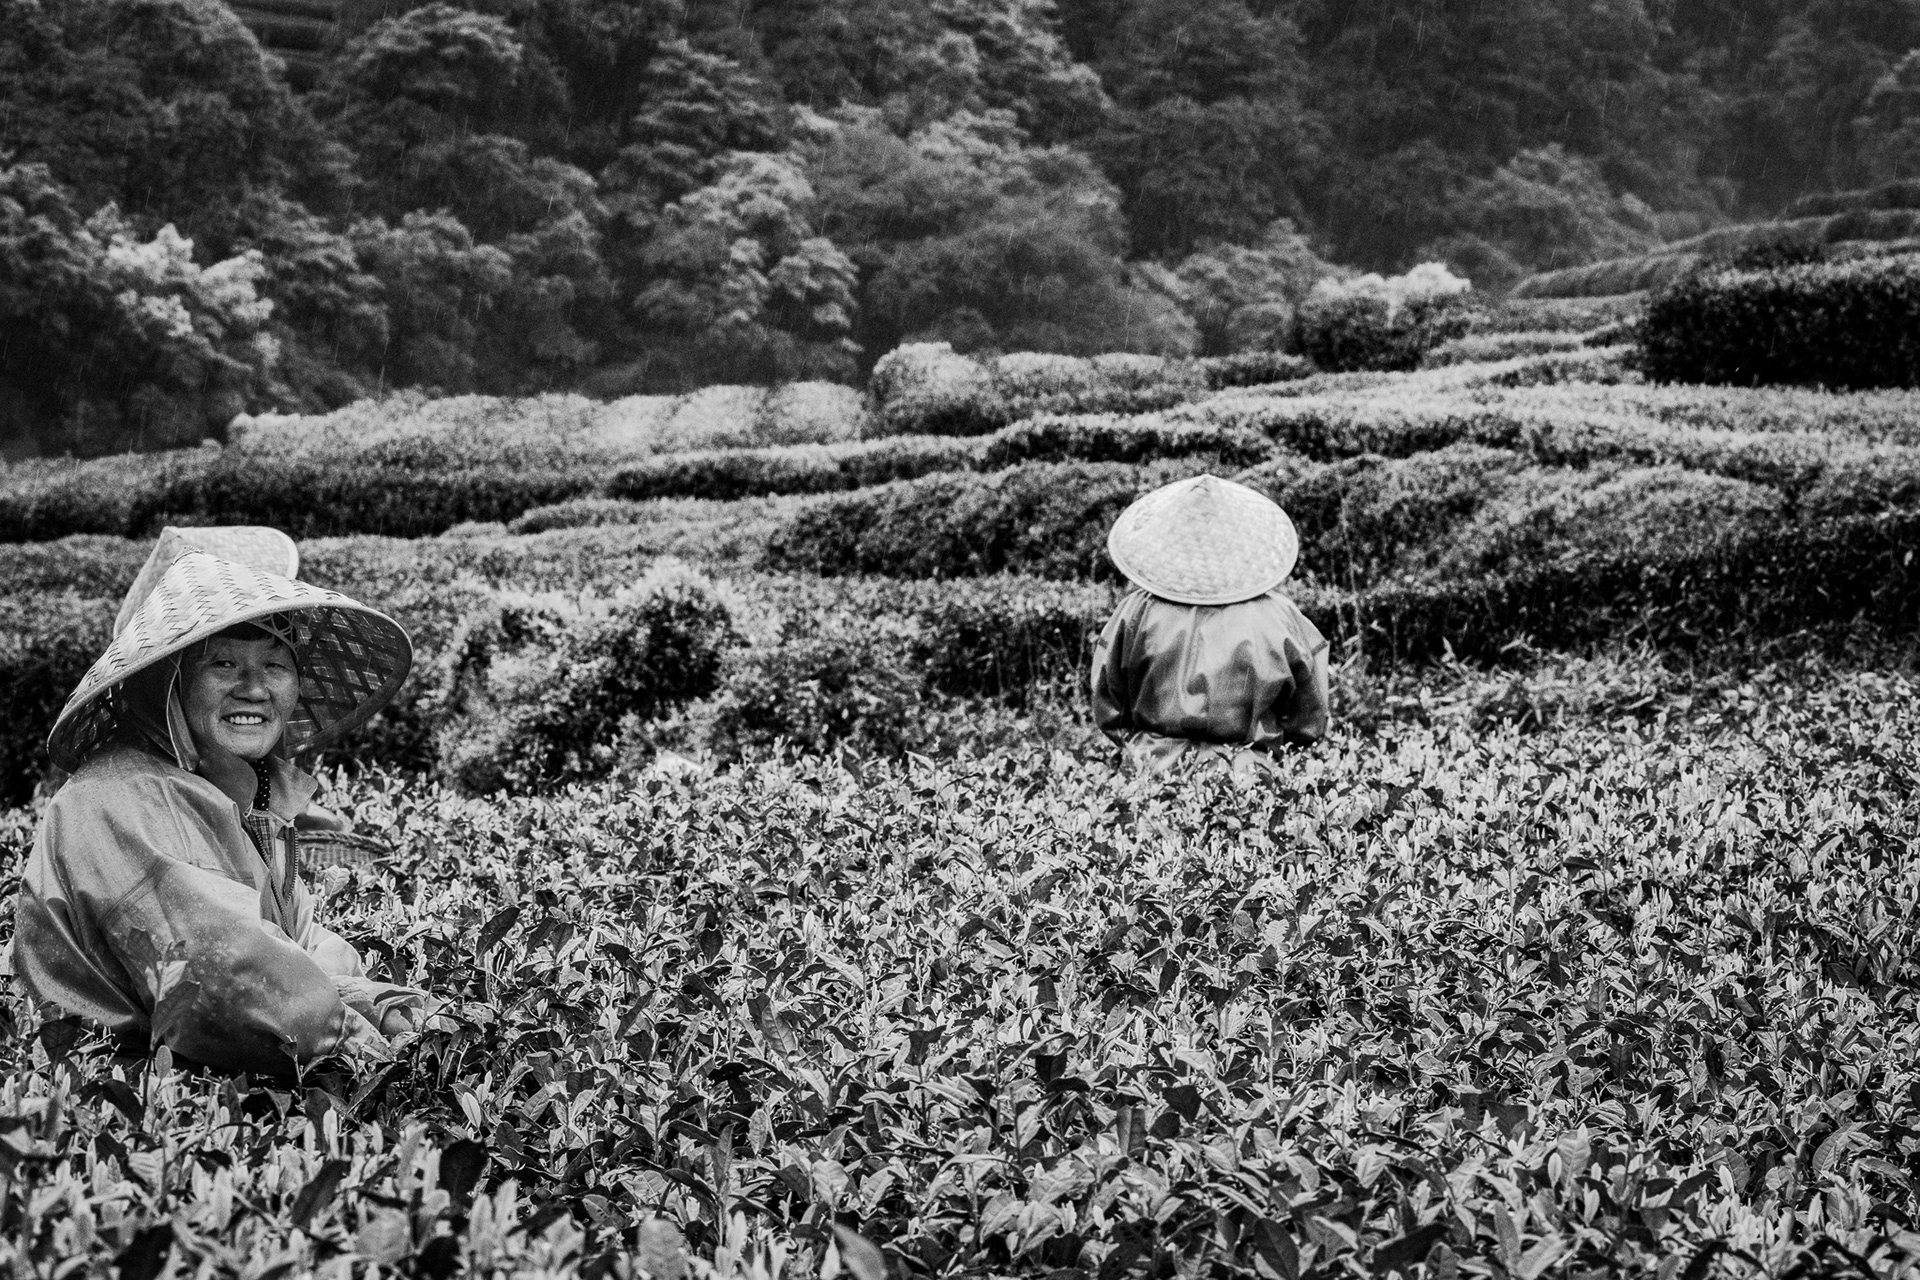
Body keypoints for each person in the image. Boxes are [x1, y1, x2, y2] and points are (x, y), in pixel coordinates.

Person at [13, 549, 429, 1075]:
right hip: (124, 1097)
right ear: (170, 680)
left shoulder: (237, 793)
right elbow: (228, 988)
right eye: (223, 662)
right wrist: (358, 1026)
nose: (254, 688)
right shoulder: (117, 799)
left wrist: (357, 997)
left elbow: (306, 940)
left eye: (275, 665)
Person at [1092, 474, 1330, 778]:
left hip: (1151, 772)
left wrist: (1148, 743)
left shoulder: (1136, 611)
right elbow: (1308, 718)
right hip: (1247, 779)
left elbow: (1109, 702)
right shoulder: (1280, 616)